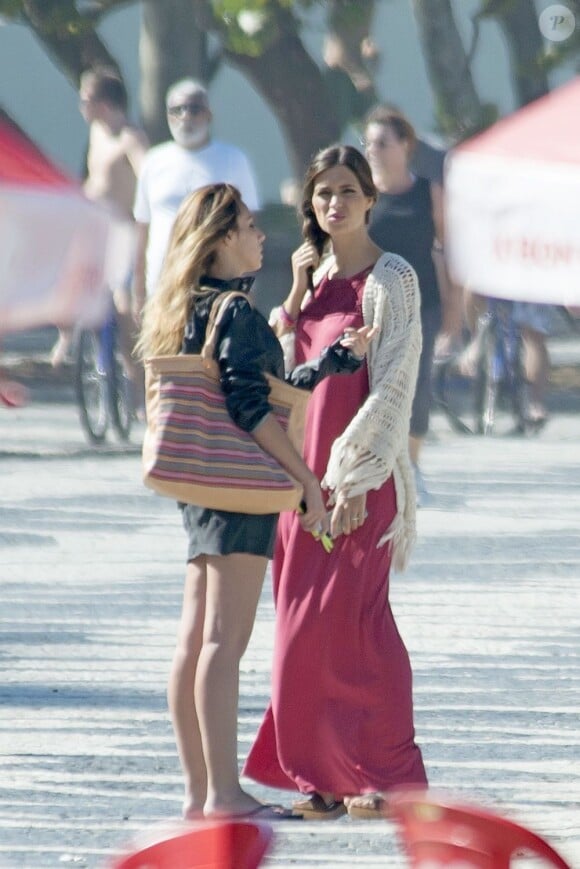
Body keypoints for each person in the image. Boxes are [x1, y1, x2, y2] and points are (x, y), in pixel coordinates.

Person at [135, 182, 376, 821]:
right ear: (217, 242)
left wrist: (328, 364)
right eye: (246, 226)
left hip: (200, 483)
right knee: (223, 640)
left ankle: (197, 793)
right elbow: (252, 410)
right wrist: (304, 479)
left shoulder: (186, 305)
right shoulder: (236, 311)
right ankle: (222, 792)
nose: (259, 234)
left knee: (194, 639)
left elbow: (258, 390)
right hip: (240, 489)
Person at [243, 145, 427, 820]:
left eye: (347, 191)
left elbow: (395, 384)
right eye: (323, 195)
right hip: (298, 483)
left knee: (361, 627)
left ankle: (383, 774)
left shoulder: (392, 278)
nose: (335, 204)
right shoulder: (314, 279)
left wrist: (355, 476)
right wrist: (292, 296)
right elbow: (278, 374)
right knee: (299, 633)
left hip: (360, 480)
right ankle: (315, 777)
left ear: (370, 198)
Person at [362, 105, 463, 504]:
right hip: (371, 306)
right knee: (372, 387)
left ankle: (412, 467)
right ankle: (374, 468)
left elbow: (448, 249)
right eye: (368, 142)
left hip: (422, 305)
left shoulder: (427, 190)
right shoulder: (360, 193)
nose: (373, 150)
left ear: (405, 146)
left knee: (417, 386)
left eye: (382, 142)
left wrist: (455, 311)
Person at [132, 78, 259, 323]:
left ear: (209, 115)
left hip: (217, 284)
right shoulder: (154, 161)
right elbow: (142, 227)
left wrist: (247, 284)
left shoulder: (233, 160)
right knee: (164, 357)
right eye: (177, 110)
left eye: (194, 108)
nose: (185, 116)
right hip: (162, 284)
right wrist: (137, 290)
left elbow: (251, 225)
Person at [51, 67, 148, 372]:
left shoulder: (131, 138)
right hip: (92, 227)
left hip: (123, 232)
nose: (81, 107)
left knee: (123, 306)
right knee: (59, 278)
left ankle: (134, 380)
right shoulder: (97, 132)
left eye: (85, 100)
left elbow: (148, 174)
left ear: (103, 103)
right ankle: (66, 336)